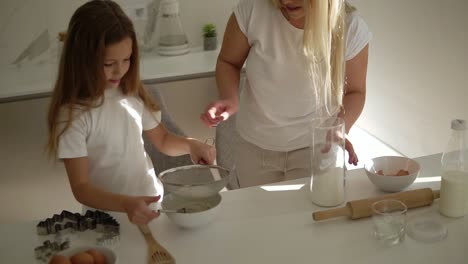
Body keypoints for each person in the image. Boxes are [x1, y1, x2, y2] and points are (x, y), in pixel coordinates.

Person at [46, 0, 216, 225]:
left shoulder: (132, 93)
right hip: (106, 221)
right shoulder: (73, 115)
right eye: (108, 63)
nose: (120, 70)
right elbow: (81, 188)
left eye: (127, 59)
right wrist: (125, 204)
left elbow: (163, 140)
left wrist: (192, 144)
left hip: (153, 207)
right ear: (82, 60)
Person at [201, 0, 371, 188]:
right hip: (255, 147)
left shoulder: (350, 26)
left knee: (313, 214)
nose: (285, 1)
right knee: (259, 216)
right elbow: (228, 62)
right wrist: (229, 97)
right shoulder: (252, 10)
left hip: (317, 147)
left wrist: (340, 128)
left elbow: (355, 92)